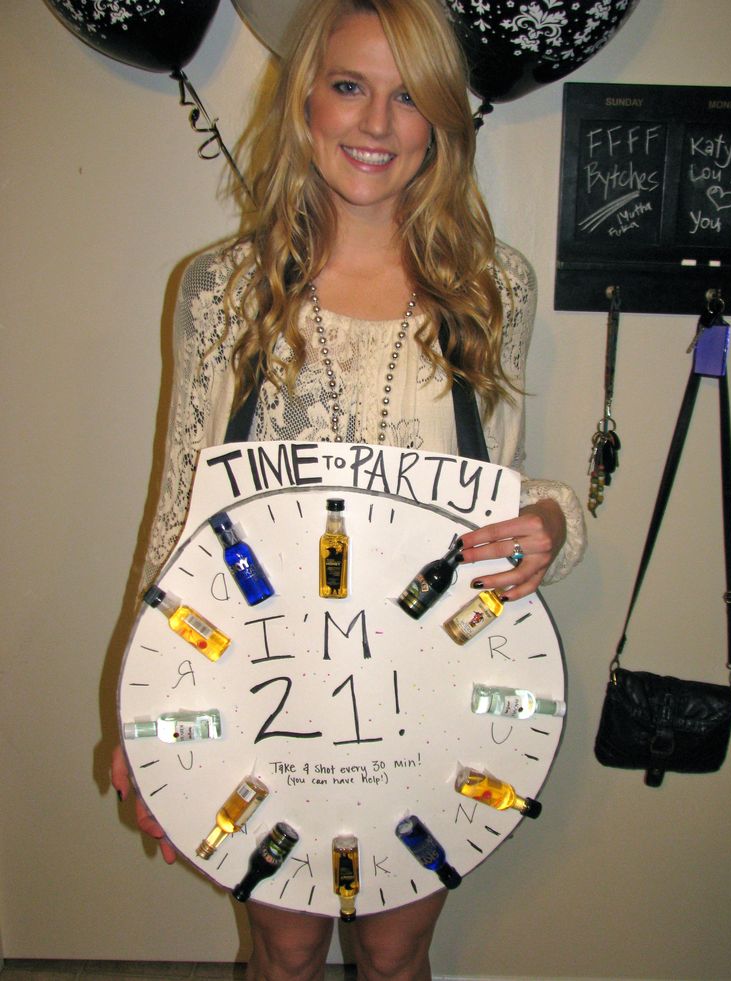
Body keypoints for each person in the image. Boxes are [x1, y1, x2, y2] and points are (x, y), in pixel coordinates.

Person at [112, 0, 586, 978]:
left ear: (442, 120)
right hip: (263, 683)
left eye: (408, 96)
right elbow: (178, 518)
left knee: (396, 943)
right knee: (282, 948)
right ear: (305, 102)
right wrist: (140, 715)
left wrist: (549, 522)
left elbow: (499, 485)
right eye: (348, 87)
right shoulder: (224, 290)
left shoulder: (491, 286)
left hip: (424, 688)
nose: (376, 125)